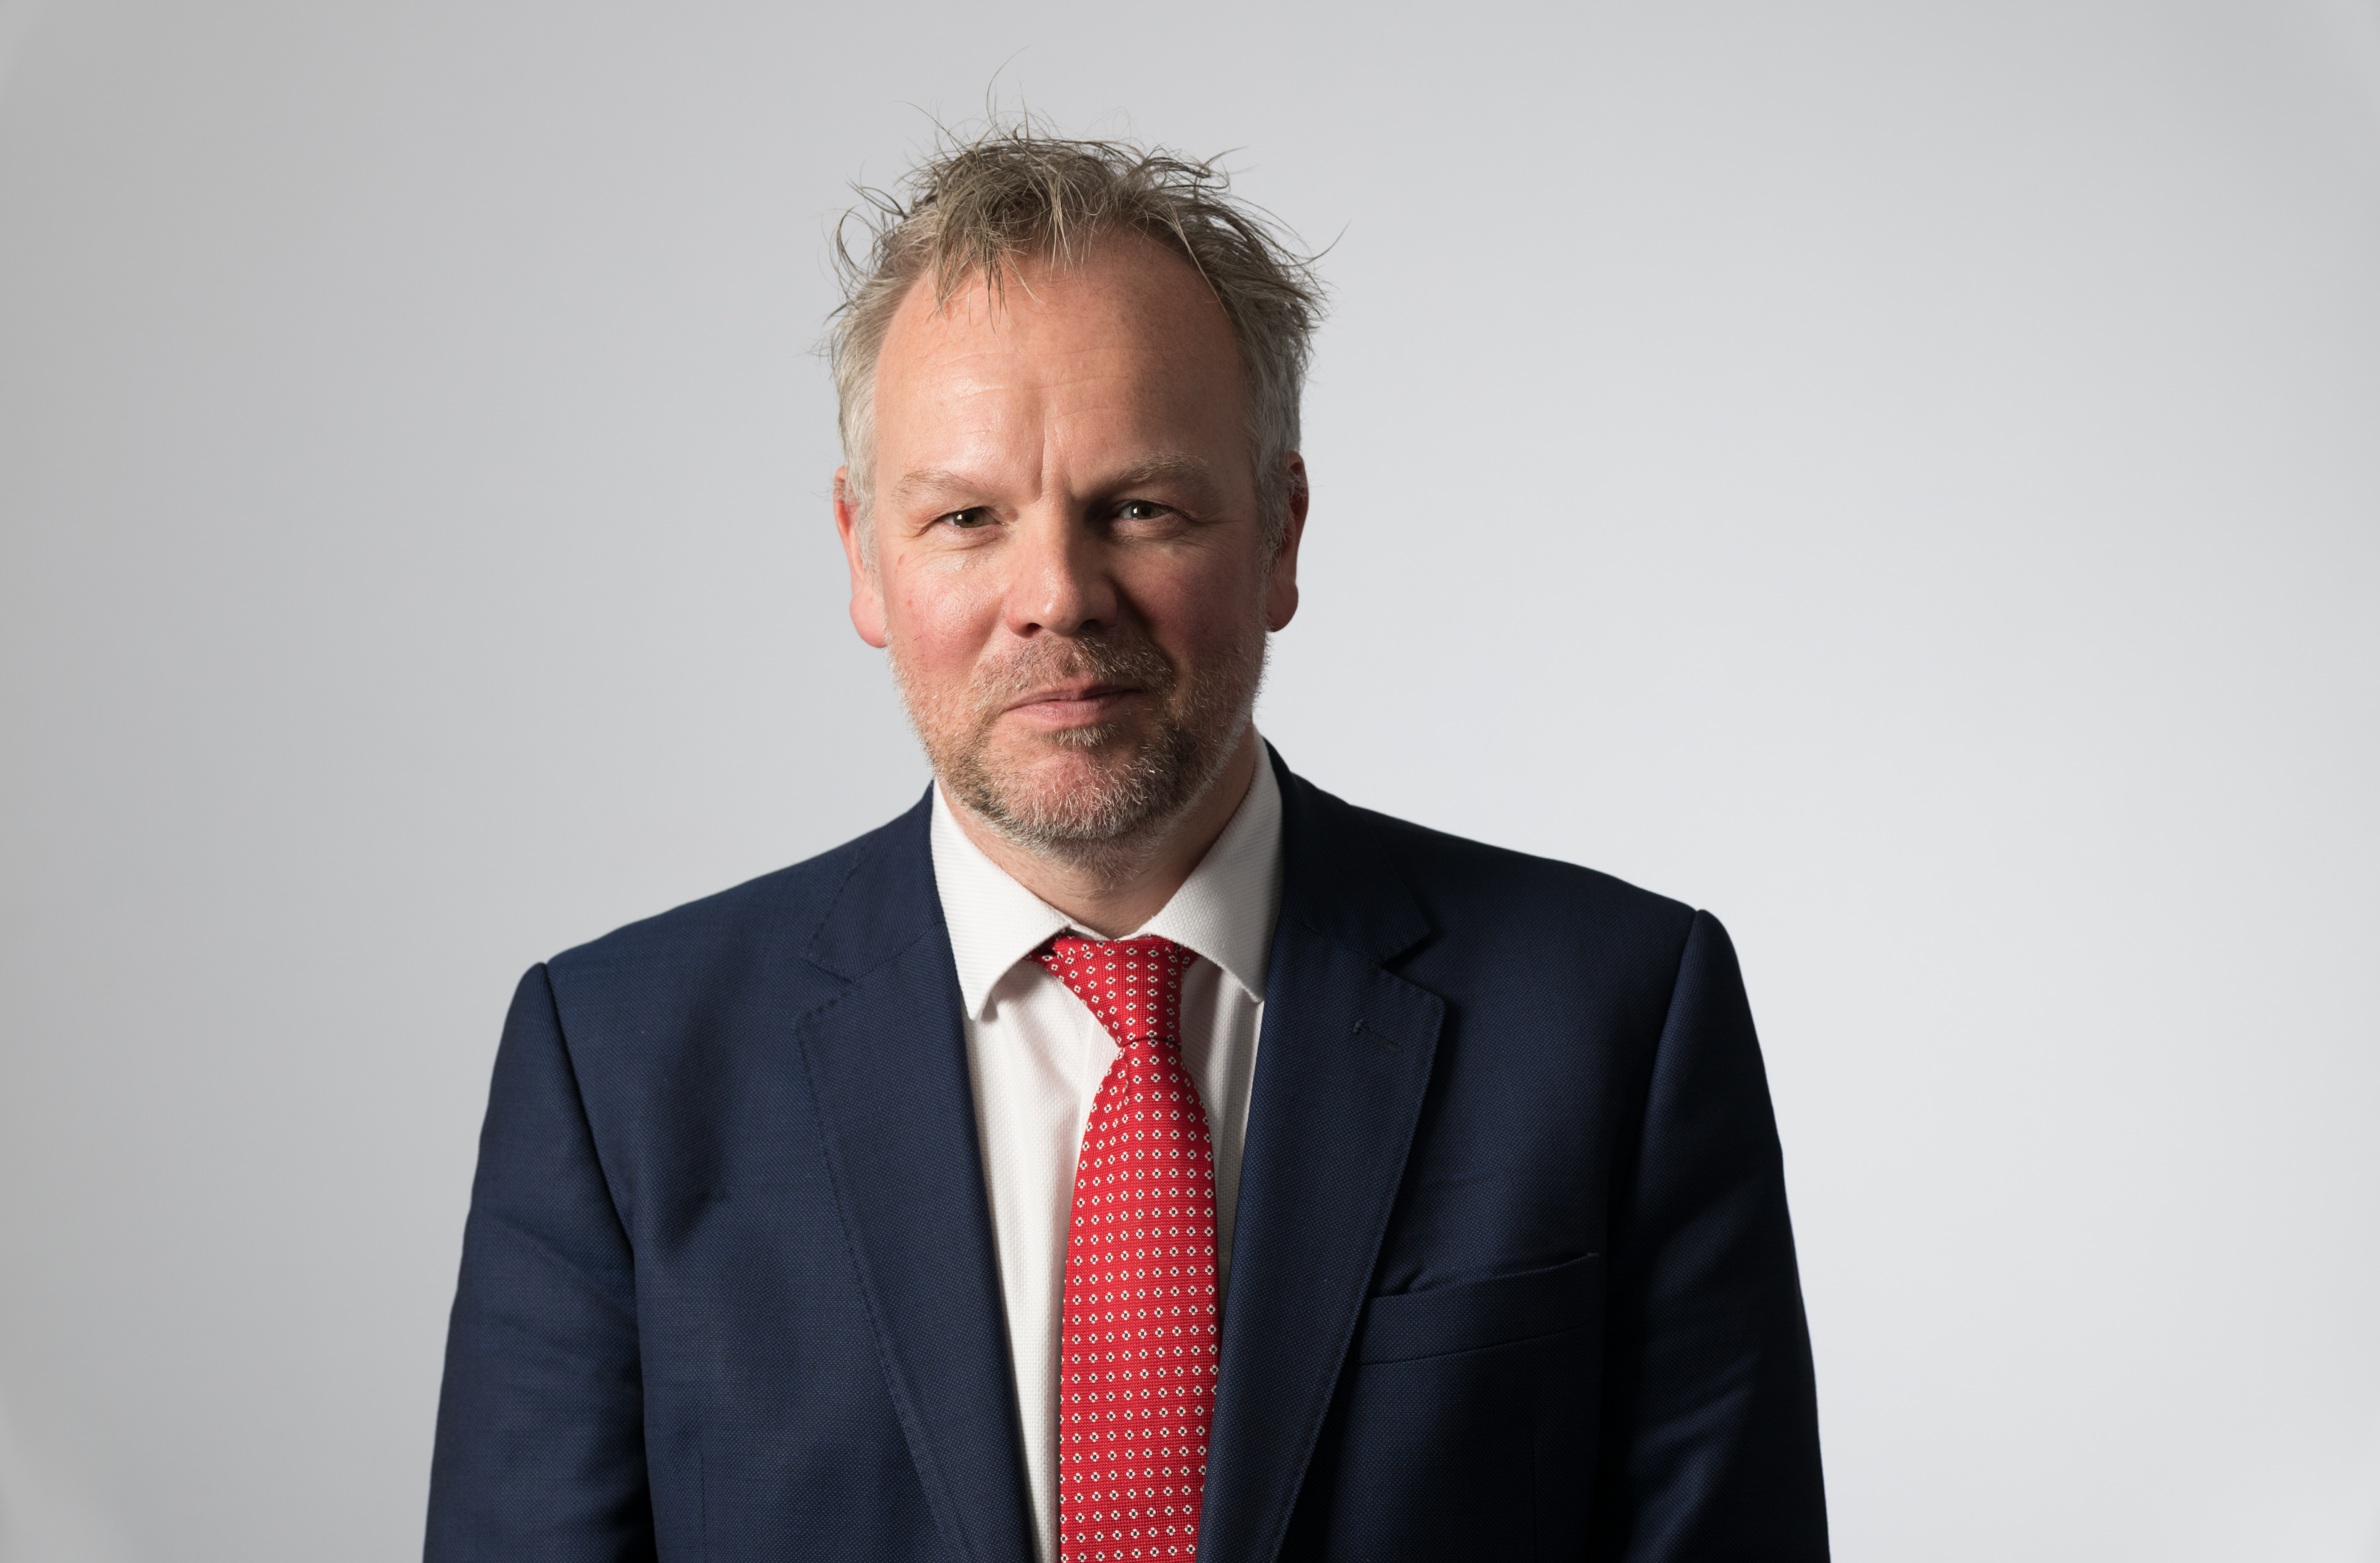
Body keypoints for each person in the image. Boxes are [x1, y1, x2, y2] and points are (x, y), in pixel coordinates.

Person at [425, 127, 1828, 1563]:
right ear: (863, 555)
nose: (1058, 594)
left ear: (1281, 532)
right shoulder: (616, 1070)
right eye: (966, 516)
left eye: (1140, 507)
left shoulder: (1617, 1018)